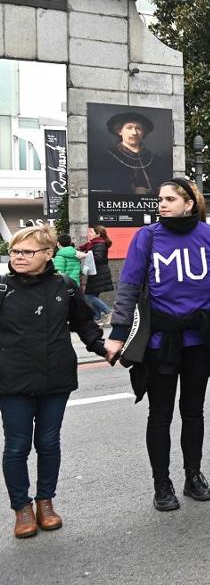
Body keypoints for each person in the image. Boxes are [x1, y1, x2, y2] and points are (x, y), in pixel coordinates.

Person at [104, 178, 210, 512]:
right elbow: (129, 287)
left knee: (193, 411)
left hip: (198, 342)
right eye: (160, 199)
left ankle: (194, 476)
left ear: (189, 203)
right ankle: (162, 484)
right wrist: (118, 333)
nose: (161, 204)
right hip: (160, 342)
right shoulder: (146, 238)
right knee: (159, 415)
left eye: (170, 198)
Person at [0, 226, 105, 538]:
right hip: (12, 381)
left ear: (48, 254)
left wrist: (106, 349)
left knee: (48, 442)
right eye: (15, 251)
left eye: (27, 252)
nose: (18, 257)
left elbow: (84, 323)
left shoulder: (66, 286)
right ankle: (22, 507)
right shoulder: (3, 289)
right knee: (17, 446)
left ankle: (46, 502)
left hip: (55, 378)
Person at [95, 111, 170, 196]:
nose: (134, 133)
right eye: (129, 127)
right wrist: (133, 190)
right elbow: (102, 188)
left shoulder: (155, 160)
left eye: (138, 128)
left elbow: (167, 187)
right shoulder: (107, 159)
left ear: (143, 133)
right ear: (119, 131)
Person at [80, 225, 114, 324]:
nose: (89, 234)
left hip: (99, 273)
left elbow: (98, 258)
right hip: (96, 272)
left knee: (88, 296)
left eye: (92, 232)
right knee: (93, 295)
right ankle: (97, 317)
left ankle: (108, 312)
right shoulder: (93, 244)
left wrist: (85, 255)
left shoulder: (99, 244)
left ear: (98, 234)